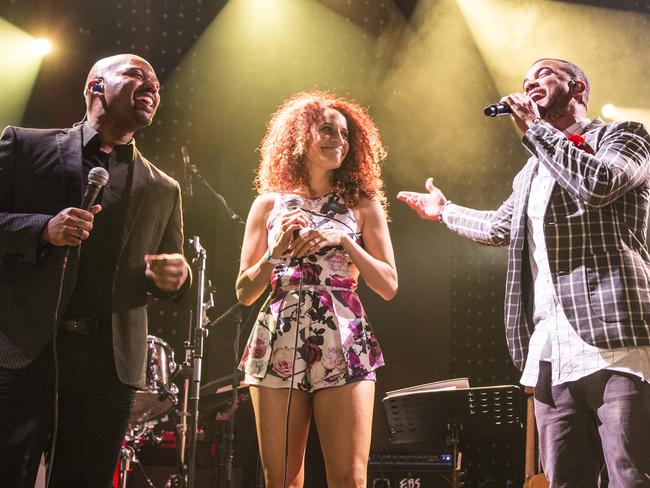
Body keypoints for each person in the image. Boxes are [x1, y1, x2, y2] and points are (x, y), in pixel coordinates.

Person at [398, 58, 650, 487]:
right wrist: (445, 213)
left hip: (615, 335)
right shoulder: (532, 171)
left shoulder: (625, 135)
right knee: (564, 478)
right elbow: (500, 227)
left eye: (544, 73)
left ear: (578, 87)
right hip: (551, 348)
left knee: (630, 473)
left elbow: (600, 184)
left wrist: (536, 130)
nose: (530, 81)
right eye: (525, 79)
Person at [0, 54, 190, 488]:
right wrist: (42, 230)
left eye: (157, 83)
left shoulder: (163, 188)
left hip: (107, 366)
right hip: (22, 350)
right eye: (136, 75)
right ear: (95, 87)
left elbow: (169, 266)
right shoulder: (25, 146)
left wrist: (175, 278)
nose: (151, 87)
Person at [236, 92, 397, 487]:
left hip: (342, 336)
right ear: (298, 135)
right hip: (279, 335)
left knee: (348, 478)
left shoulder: (362, 204)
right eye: (327, 129)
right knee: (282, 480)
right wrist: (275, 252)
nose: (338, 140)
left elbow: (389, 285)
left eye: (345, 135)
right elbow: (244, 290)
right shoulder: (267, 205)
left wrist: (345, 242)